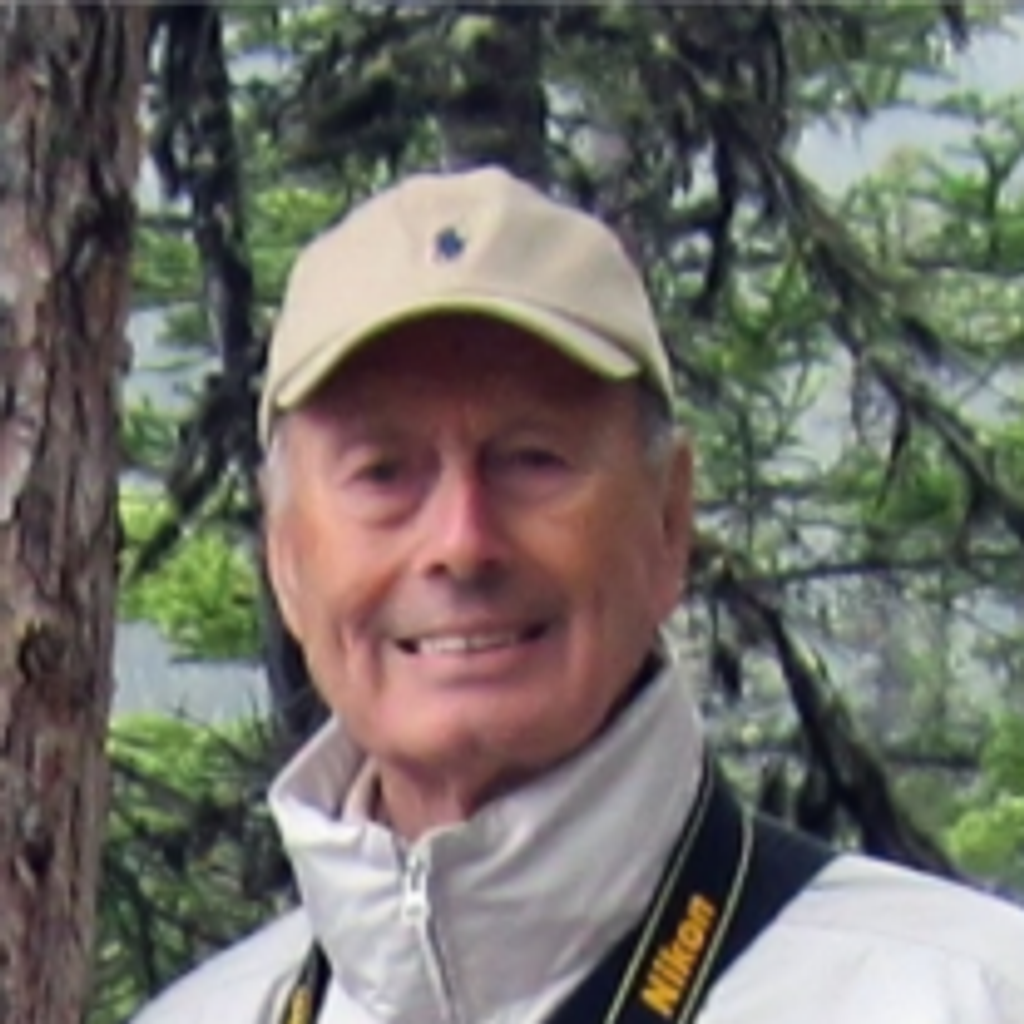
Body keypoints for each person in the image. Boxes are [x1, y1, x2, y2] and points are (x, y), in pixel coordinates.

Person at [132, 167, 1024, 1024]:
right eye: (383, 473)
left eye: (533, 460)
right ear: (286, 557)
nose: (461, 543)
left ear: (669, 520)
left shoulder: (969, 999)